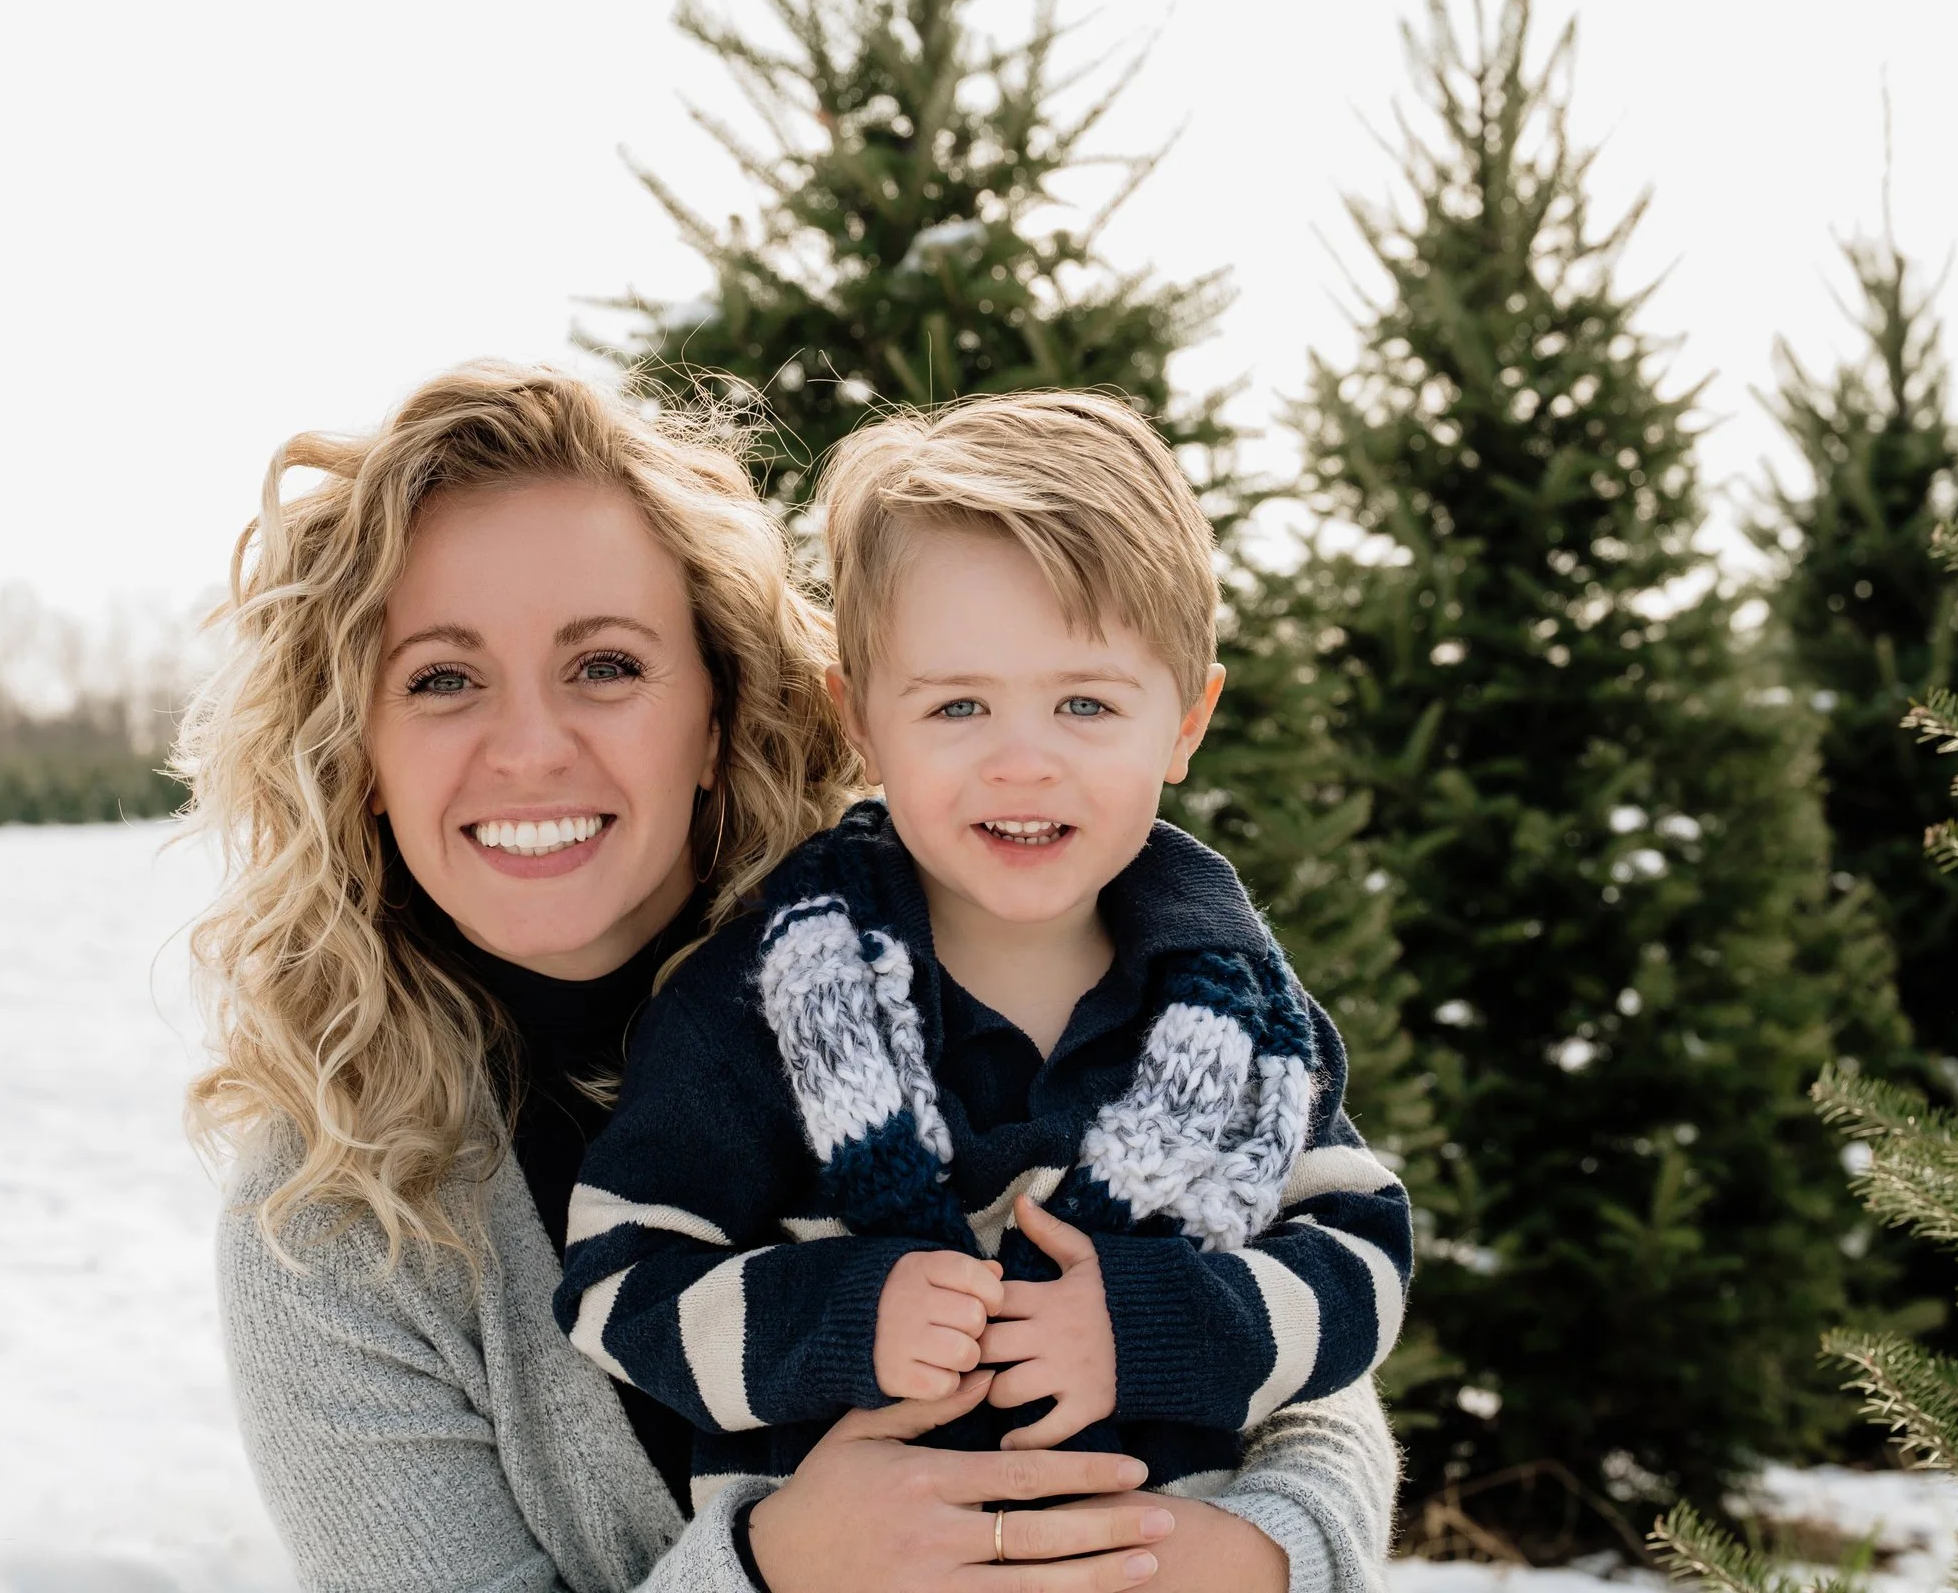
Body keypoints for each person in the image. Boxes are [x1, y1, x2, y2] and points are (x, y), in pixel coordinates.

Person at [177, 364, 1401, 1593]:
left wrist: (1268, 1549)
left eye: (604, 663)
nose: (532, 745)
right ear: (358, 751)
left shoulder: (925, 931)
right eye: (442, 677)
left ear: (713, 706)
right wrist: (772, 1571)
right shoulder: (332, 1219)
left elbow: (1295, 1334)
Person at [555, 390, 1412, 1563]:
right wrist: (851, 1314)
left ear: (1186, 720)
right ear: (860, 721)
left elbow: (1358, 1255)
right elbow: (618, 1274)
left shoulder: (1242, 1017)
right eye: (957, 703)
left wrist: (1152, 1325)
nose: (1022, 759)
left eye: (1085, 703)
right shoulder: (765, 1001)